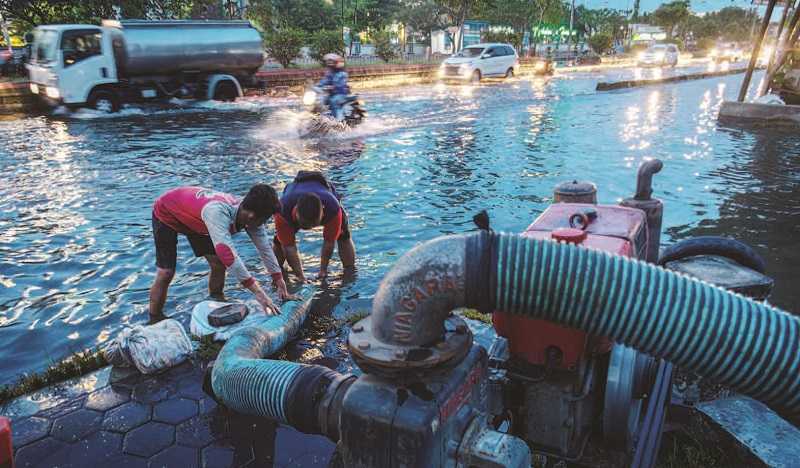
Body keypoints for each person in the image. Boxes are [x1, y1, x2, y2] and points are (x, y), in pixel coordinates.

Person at [149, 185, 294, 323]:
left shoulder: (251, 214)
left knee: (218, 265)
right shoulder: (217, 213)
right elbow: (229, 256)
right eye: (264, 220)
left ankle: (216, 301)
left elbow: (265, 249)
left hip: (198, 220)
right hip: (167, 212)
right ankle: (155, 318)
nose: (264, 223)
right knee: (166, 272)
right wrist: (260, 294)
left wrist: (279, 280)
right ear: (251, 216)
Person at [273, 171, 356, 281]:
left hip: (327, 196)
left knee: (343, 235)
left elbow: (329, 242)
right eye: (306, 225)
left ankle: (350, 271)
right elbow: (289, 247)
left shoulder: (333, 208)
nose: (311, 227)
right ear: (296, 212)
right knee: (280, 242)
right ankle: (277, 273)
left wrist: (323, 270)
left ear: (322, 212)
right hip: (290, 202)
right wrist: (300, 276)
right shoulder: (282, 210)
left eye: (314, 224)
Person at [318, 53, 350, 121]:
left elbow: (341, 84)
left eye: (332, 62)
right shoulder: (330, 73)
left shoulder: (342, 74)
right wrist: (316, 86)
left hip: (341, 94)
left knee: (334, 101)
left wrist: (333, 87)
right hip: (331, 94)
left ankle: (339, 121)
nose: (330, 64)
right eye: (329, 62)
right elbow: (324, 81)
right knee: (321, 101)